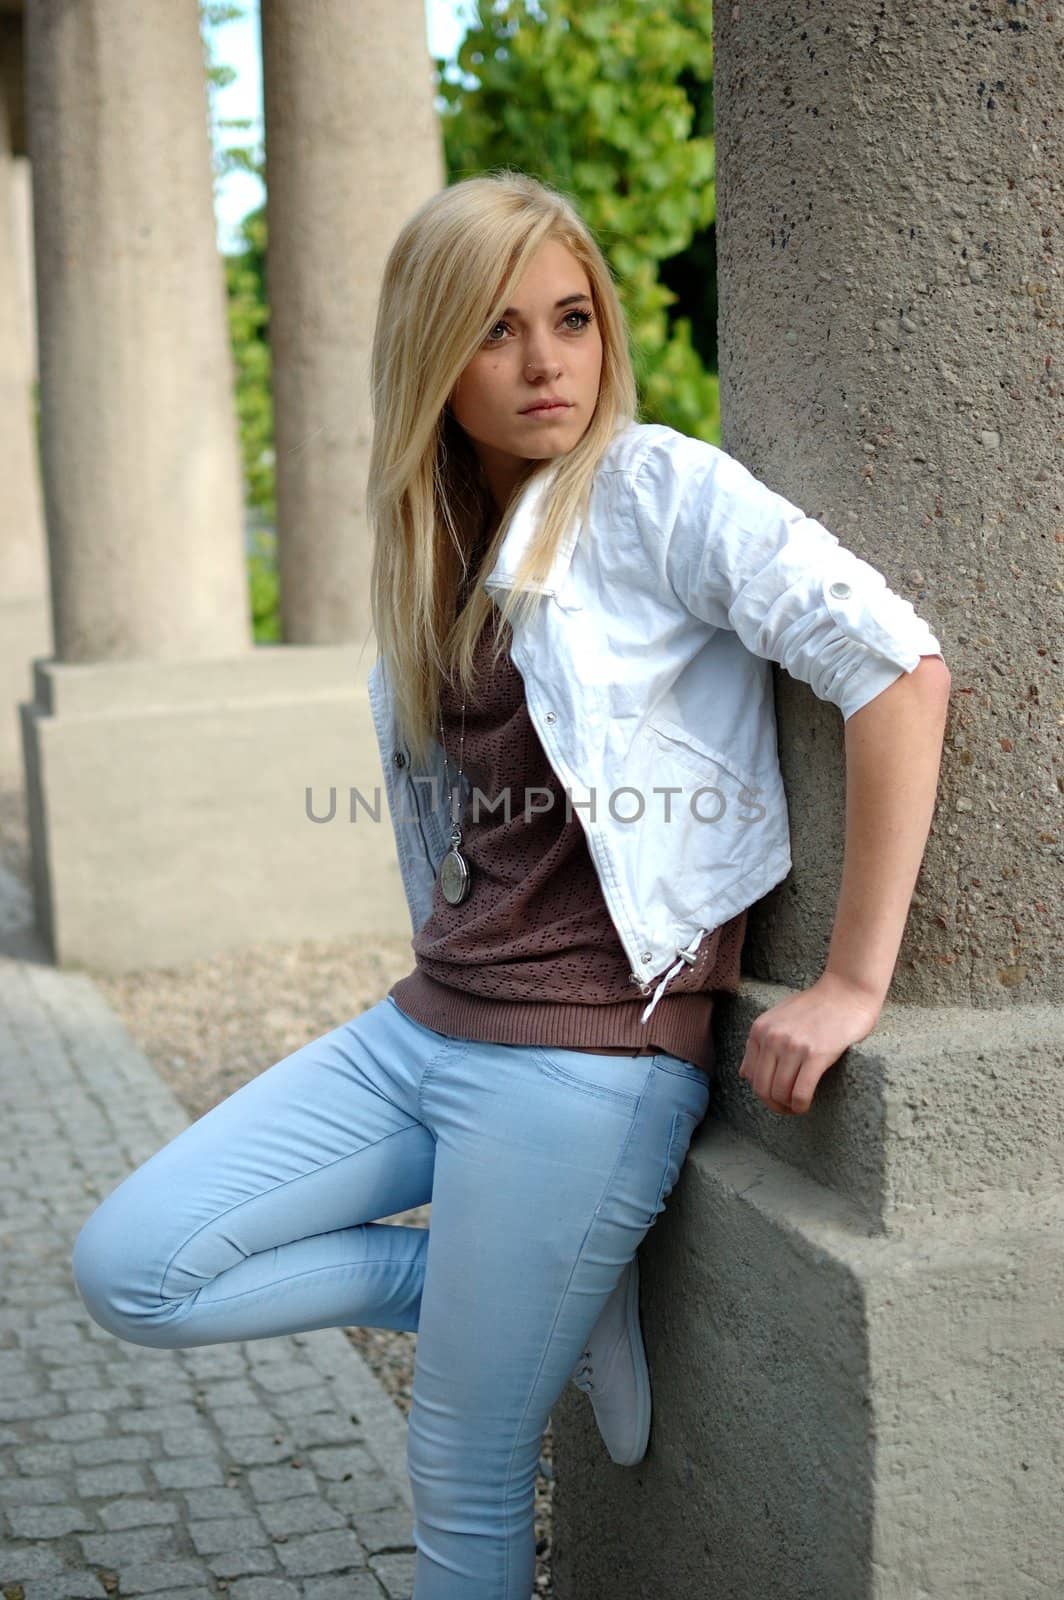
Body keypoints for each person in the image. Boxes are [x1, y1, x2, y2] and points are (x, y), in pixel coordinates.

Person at [71, 171, 950, 1599]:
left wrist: (855, 982)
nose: (548, 363)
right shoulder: (441, 553)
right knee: (134, 1265)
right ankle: (535, 1298)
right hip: (426, 1024)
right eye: (496, 330)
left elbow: (899, 671)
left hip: (587, 1065)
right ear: (432, 357)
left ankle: (521, 1302)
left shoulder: (652, 492)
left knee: (463, 1477)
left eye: (574, 319)